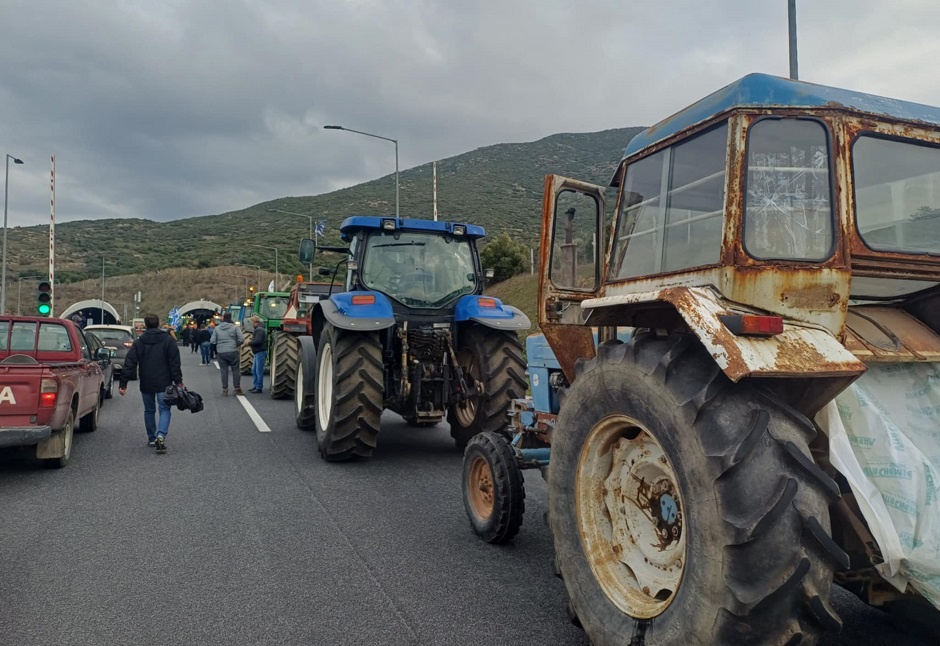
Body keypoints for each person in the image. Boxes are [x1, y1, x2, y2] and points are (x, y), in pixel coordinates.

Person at [118, 313, 183, 455]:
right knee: (164, 408)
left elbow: (130, 362)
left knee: (149, 410)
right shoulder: (167, 340)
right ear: (158, 323)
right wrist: (178, 381)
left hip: (146, 380)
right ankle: (161, 435)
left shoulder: (139, 342)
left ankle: (152, 438)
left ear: (145, 325)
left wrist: (123, 383)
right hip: (164, 381)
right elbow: (174, 363)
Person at [211, 312, 244, 396]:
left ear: (223, 318)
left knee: (224, 371)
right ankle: (237, 388)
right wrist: (236, 344)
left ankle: (225, 389)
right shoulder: (235, 328)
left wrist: (218, 347)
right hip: (233, 351)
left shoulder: (217, 328)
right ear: (231, 318)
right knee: (235, 370)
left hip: (221, 353)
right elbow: (241, 339)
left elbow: (212, 341)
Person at [243, 315, 267, 394]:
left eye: (252, 322)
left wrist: (249, 342)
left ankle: (259, 387)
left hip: (260, 352)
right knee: (254, 370)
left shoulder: (259, 330)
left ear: (256, 322)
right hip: (257, 352)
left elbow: (258, 341)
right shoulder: (258, 329)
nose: (251, 324)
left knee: (258, 370)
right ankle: (256, 385)